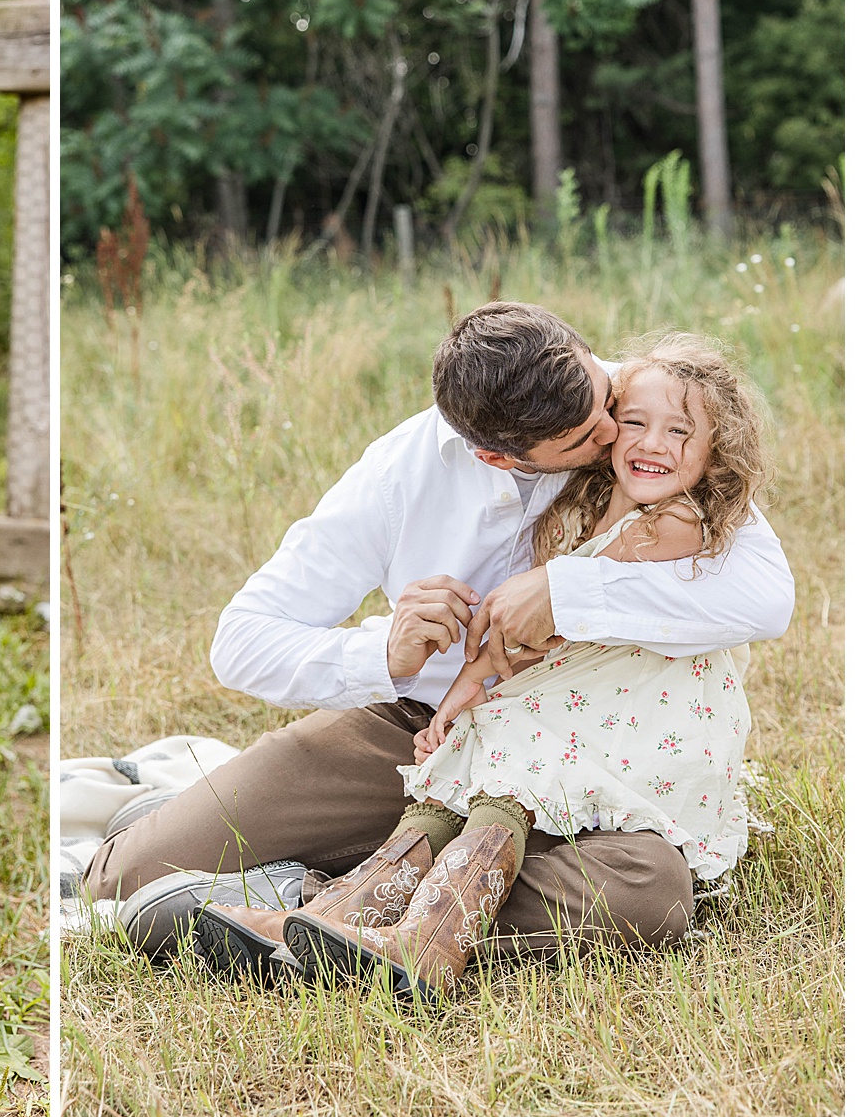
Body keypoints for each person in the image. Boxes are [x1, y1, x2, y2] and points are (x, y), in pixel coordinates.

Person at [81, 302, 793, 980]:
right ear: (497, 457)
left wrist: (566, 595)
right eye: (584, 440)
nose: (613, 435)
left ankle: (328, 911)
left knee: (650, 893)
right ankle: (342, 895)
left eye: (605, 398)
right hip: (420, 730)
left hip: (587, 756)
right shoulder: (401, 473)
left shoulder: (646, 412)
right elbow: (241, 641)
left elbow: (766, 596)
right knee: (122, 880)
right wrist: (383, 655)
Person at [278, 333, 768, 1000]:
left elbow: (568, 596)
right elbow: (516, 634)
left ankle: (417, 931)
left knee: (517, 770)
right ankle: (339, 918)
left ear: (717, 448)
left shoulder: (678, 518)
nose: (652, 444)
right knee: (461, 777)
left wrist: (553, 588)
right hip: (560, 693)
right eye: (635, 423)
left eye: (680, 432)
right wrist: (462, 693)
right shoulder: (579, 508)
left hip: (629, 714)